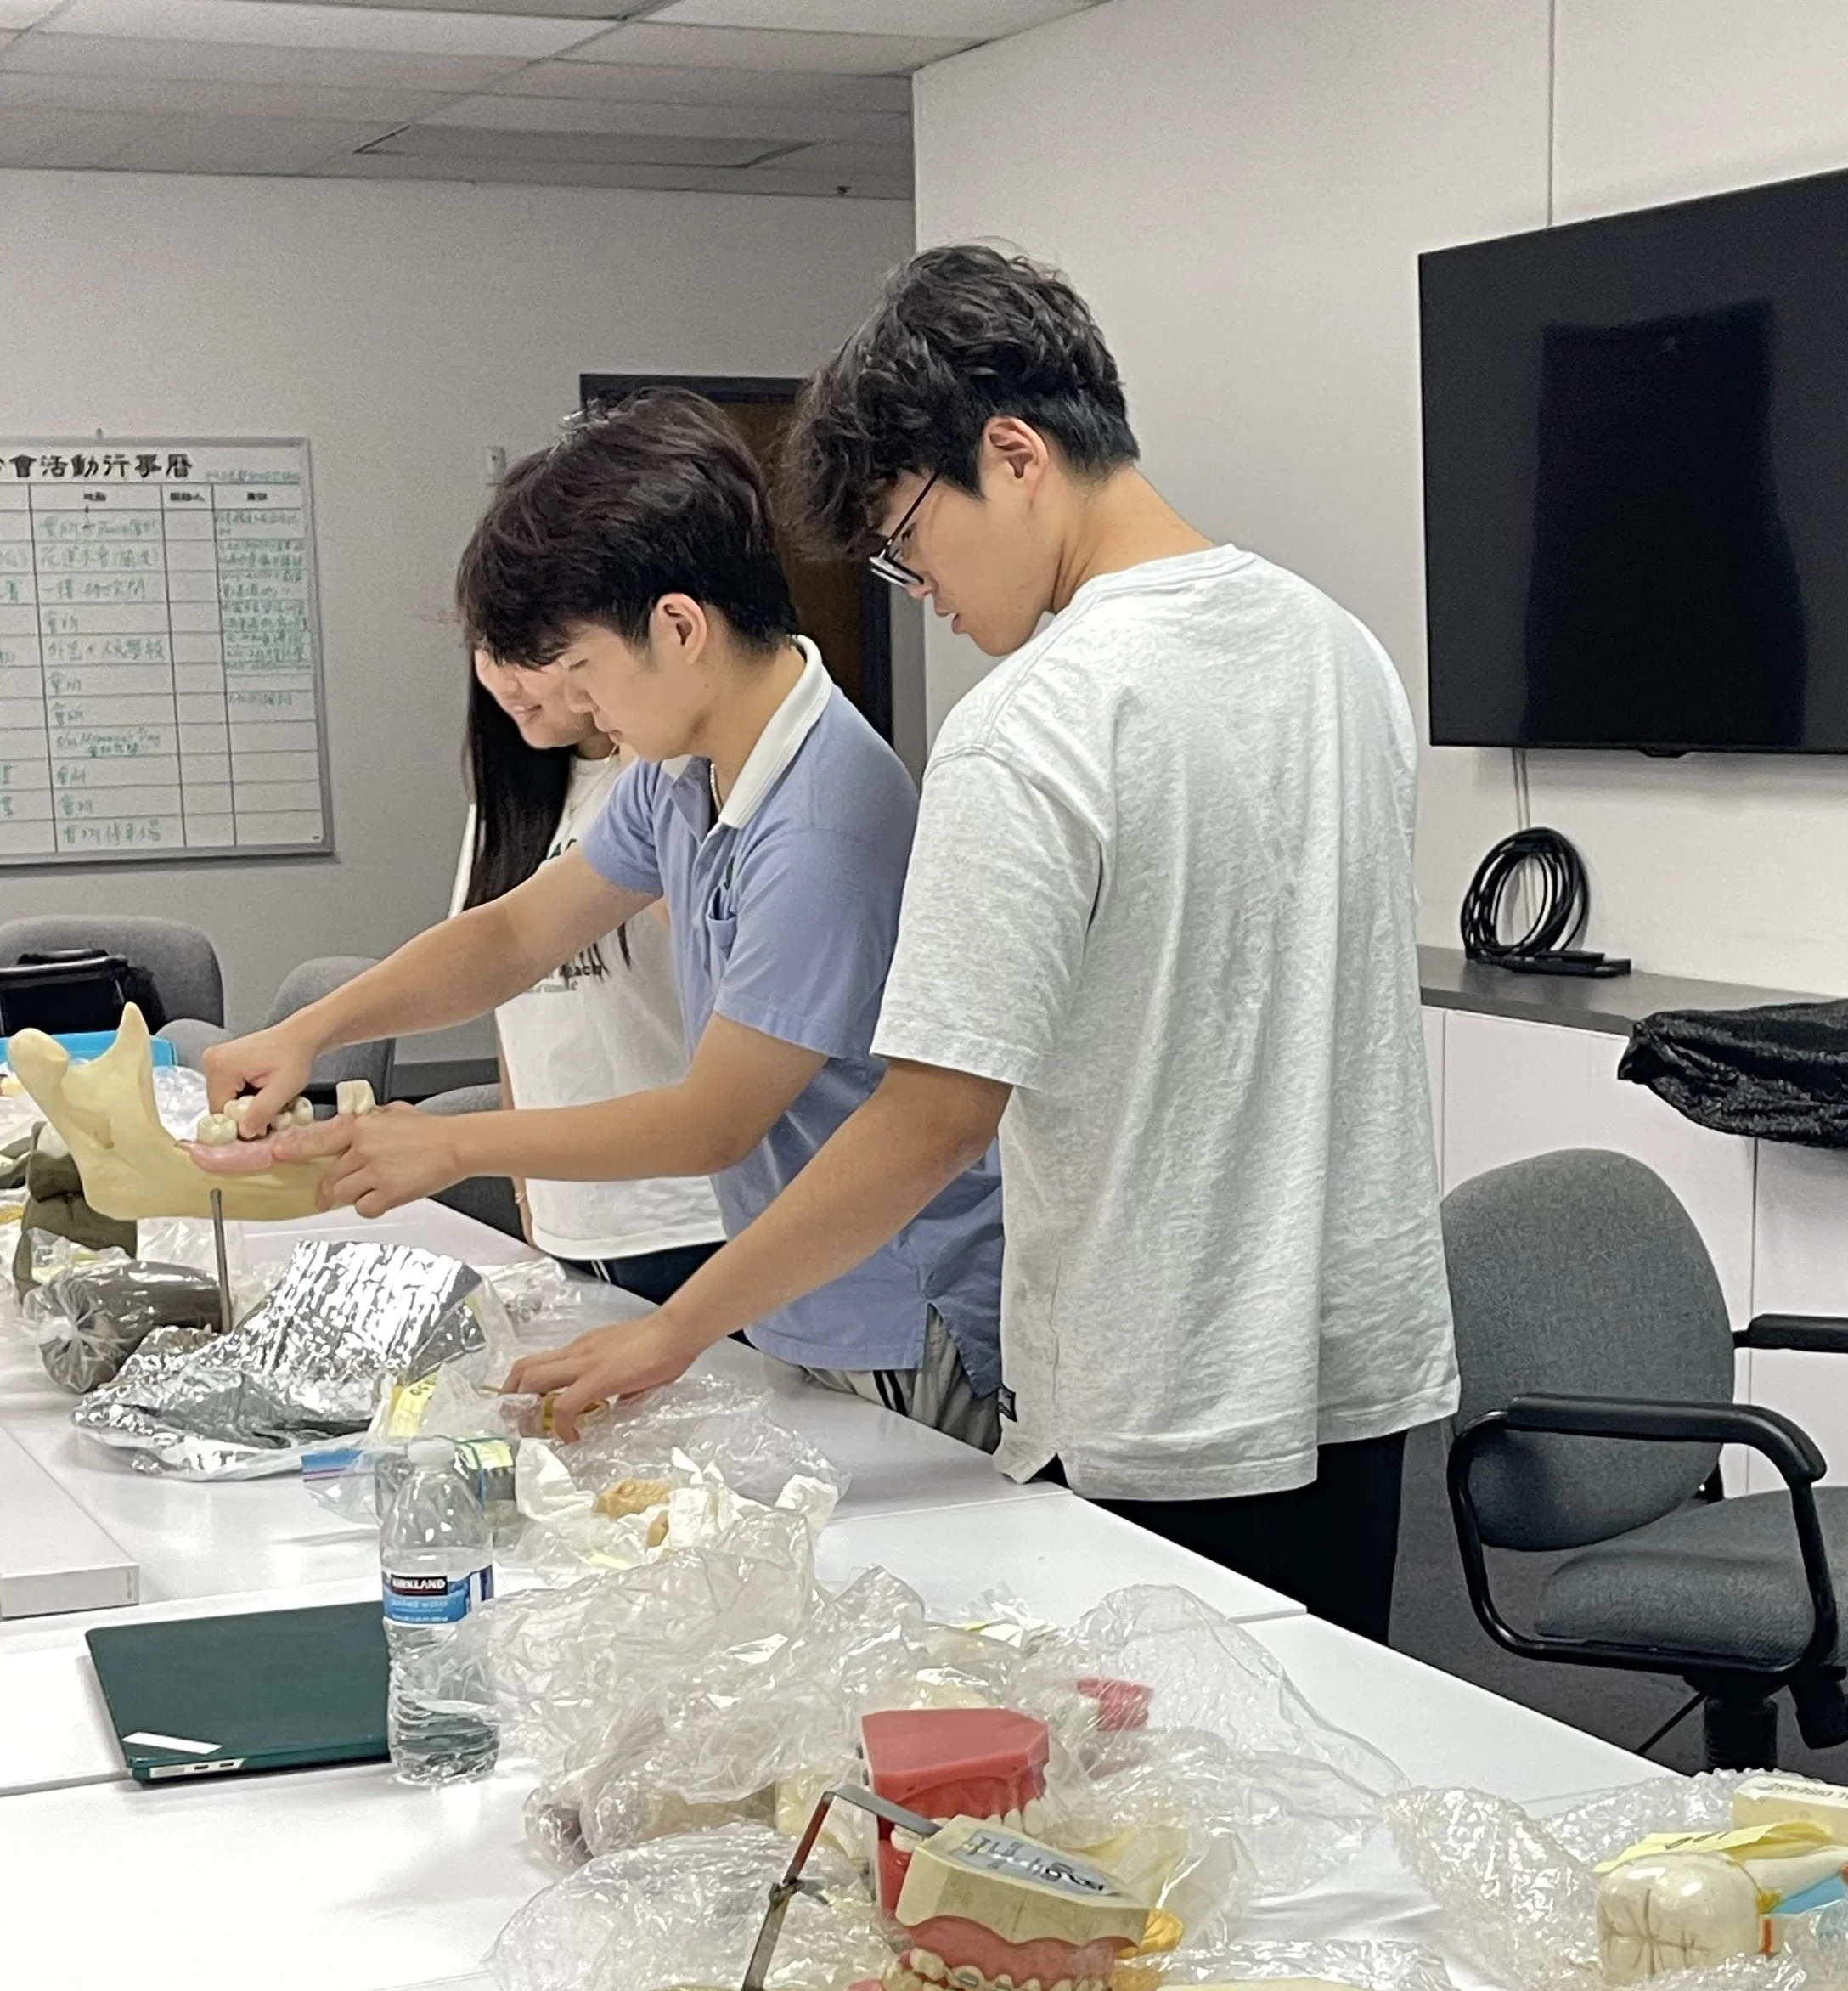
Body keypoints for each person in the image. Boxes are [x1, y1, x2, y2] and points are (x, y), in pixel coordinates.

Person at [501, 248, 1456, 1638]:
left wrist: (675, 1324)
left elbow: (935, 1117)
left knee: (1161, 1819)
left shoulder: (1036, 720)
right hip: (1351, 1357)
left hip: (1161, 1380)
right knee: (1333, 1777)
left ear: (1011, 455)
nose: (915, 584)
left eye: (906, 531)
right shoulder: (1342, 651)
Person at [200, 392, 1002, 1448]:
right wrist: (307, 1031)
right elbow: (516, 934)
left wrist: (451, 1145)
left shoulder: (824, 818)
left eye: (581, 668)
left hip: (899, 1310)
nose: (575, 707)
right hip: (795, 1290)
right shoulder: (685, 768)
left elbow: (717, 1116)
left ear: (677, 628)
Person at [454, 639, 725, 1303]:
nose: (510, 683)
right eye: (492, 650)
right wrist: (527, 1193)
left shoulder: (682, 782)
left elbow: (700, 934)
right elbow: (511, 1007)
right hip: (568, 1223)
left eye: (536, 652)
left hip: (689, 1214)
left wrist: (643, 757)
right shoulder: (504, 811)